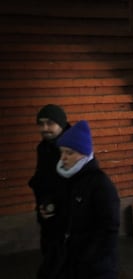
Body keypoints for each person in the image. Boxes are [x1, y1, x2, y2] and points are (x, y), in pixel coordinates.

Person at [55, 120, 121, 279]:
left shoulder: (100, 185)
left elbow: (109, 228)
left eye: (69, 153)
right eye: (62, 152)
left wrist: (88, 257)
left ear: (83, 153)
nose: (63, 158)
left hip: (96, 269)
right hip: (71, 262)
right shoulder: (69, 178)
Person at [28, 104, 71, 279]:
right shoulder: (44, 147)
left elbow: (77, 185)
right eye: (41, 123)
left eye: (50, 123)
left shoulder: (72, 148)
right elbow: (43, 178)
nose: (44, 128)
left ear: (61, 124)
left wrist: (56, 206)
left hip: (67, 219)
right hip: (48, 214)